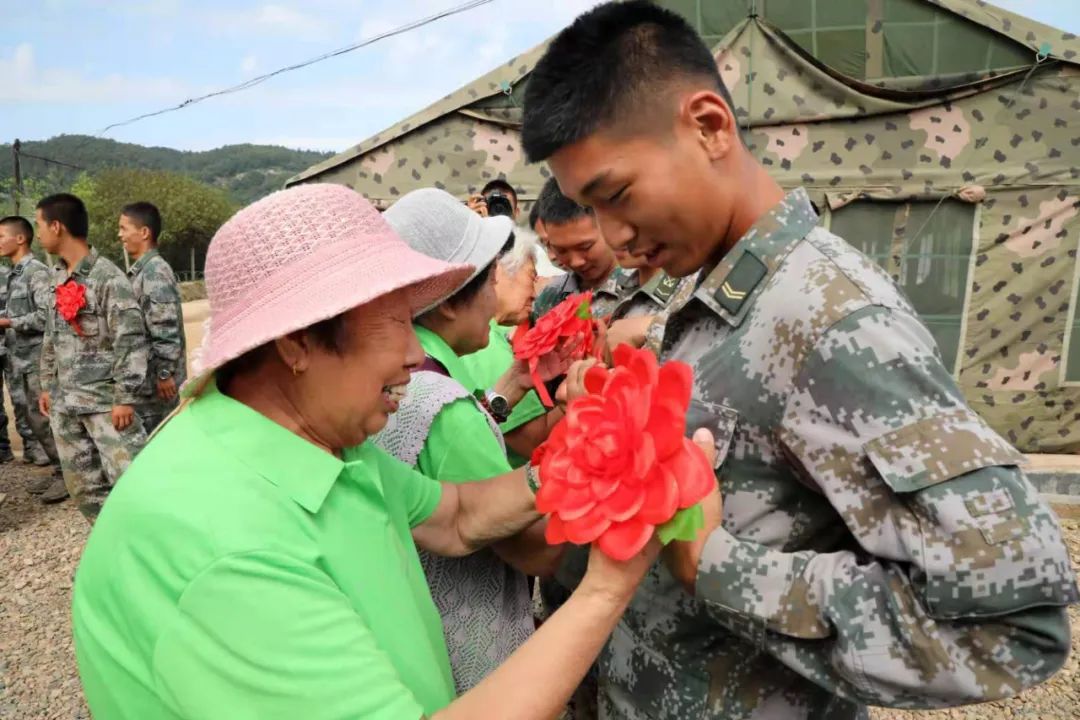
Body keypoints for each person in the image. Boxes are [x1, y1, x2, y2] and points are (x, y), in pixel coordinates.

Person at [522, 2, 1079, 718]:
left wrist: (715, 568)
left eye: (617, 196)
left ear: (709, 126)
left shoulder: (830, 319)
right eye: (587, 209)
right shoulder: (708, 291)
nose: (613, 237)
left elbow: (1010, 625)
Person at [71, 183, 713, 719]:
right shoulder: (225, 545)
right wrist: (607, 588)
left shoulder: (317, 445)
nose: (416, 354)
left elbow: (457, 516)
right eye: (399, 322)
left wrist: (589, 462)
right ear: (296, 344)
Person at [375, 187, 568, 693]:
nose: (495, 297)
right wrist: (581, 423)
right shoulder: (447, 409)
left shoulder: (402, 380)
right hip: (472, 651)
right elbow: (538, 552)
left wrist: (510, 387)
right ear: (445, 303)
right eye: (489, 280)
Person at [36, 193, 149, 522]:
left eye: (40, 225)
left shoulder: (106, 278)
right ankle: (112, 551)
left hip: (105, 405)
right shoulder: (57, 276)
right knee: (85, 489)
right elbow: (51, 335)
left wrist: (125, 397)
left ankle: (155, 554)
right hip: (65, 404)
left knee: (134, 484)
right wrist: (47, 384)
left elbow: (129, 337)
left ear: (57, 226)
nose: (38, 232)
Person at [0, 216, 65, 500]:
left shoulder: (35, 272)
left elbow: (45, 316)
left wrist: (8, 322)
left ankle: (69, 476)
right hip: (20, 361)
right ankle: (58, 469)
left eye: (2, 235)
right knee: (33, 419)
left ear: (20, 239)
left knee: (47, 420)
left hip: (37, 361)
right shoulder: (14, 274)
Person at [118, 202, 187, 432]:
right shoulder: (143, 271)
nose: (120, 235)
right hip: (149, 381)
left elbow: (165, 326)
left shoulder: (154, 271)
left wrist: (165, 373)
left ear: (144, 232)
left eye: (124, 228)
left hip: (157, 384)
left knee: (159, 438)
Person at [530, 178, 623, 322]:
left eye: (585, 247)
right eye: (561, 250)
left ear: (608, 225)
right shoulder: (550, 298)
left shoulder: (643, 290)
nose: (576, 262)